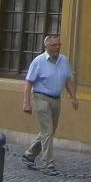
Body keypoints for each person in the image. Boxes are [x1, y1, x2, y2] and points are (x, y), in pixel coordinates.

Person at [20, 33, 77, 173]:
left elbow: (68, 80)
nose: (57, 47)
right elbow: (28, 82)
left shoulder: (64, 60)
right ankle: (48, 164)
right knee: (48, 130)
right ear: (46, 46)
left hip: (56, 99)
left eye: (59, 44)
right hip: (41, 98)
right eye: (54, 45)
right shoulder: (38, 61)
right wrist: (26, 102)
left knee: (49, 131)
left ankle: (29, 155)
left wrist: (73, 97)